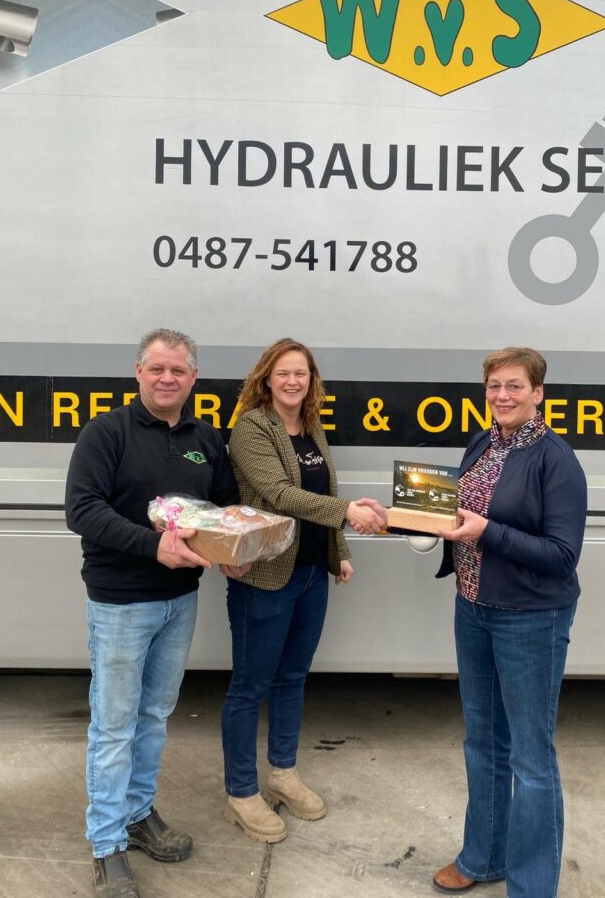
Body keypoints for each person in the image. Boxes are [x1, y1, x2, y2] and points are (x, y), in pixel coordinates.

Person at [66, 329, 248, 898]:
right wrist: (154, 546)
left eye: (178, 370)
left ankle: (138, 814)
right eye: (157, 368)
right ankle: (106, 845)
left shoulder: (206, 439)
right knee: (114, 726)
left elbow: (221, 509)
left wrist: (233, 548)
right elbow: (82, 510)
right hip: (121, 601)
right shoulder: (106, 433)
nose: (167, 378)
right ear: (138, 373)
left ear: (193, 378)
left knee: (154, 715)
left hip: (179, 599)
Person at [432, 347, 586, 898]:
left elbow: (562, 555)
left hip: (530, 619)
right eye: (494, 386)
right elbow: (458, 514)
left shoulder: (556, 459)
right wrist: (410, 520)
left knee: (531, 759)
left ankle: (532, 886)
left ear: (538, 392)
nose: (503, 395)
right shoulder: (483, 443)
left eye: (515, 386)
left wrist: (486, 532)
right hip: (473, 608)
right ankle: (484, 856)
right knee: (483, 742)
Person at [222, 338, 386, 843]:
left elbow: (324, 493)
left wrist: (339, 551)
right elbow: (278, 494)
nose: (293, 381)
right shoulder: (252, 427)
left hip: (312, 572)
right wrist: (347, 514)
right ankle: (241, 793)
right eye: (284, 373)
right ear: (266, 379)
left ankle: (283, 774)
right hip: (266, 576)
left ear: (312, 380)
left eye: (302, 373)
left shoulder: (311, 426)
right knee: (250, 686)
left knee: (292, 678)